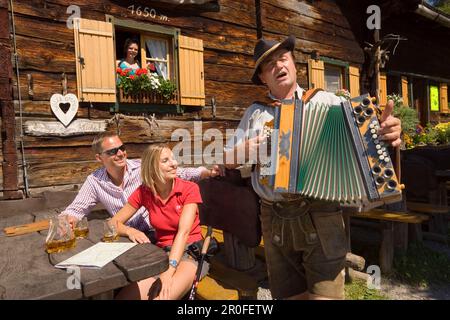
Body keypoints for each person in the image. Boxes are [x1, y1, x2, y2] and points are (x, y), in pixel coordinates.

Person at [223, 35, 402, 300]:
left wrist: (388, 134)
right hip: (274, 217)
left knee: (325, 297)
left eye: (283, 58)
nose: (278, 66)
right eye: (269, 64)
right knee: (287, 296)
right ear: (262, 77)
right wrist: (245, 150)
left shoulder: (327, 102)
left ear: (294, 65)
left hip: (321, 213)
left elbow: (371, 140)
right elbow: (227, 159)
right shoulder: (255, 113)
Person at [60, 132, 218, 241]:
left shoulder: (141, 168)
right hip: (126, 235)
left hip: (156, 232)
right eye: (113, 151)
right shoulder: (95, 181)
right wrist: (67, 221)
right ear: (99, 157)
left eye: (122, 148)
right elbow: (75, 209)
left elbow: (180, 173)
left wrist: (207, 172)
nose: (121, 153)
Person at [112, 144, 205, 300]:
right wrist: (130, 231)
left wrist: (169, 271)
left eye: (173, 159)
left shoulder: (189, 188)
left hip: (190, 253)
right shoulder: (145, 191)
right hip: (161, 253)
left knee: (162, 298)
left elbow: (184, 232)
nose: (174, 163)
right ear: (152, 167)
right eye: (166, 160)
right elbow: (113, 223)